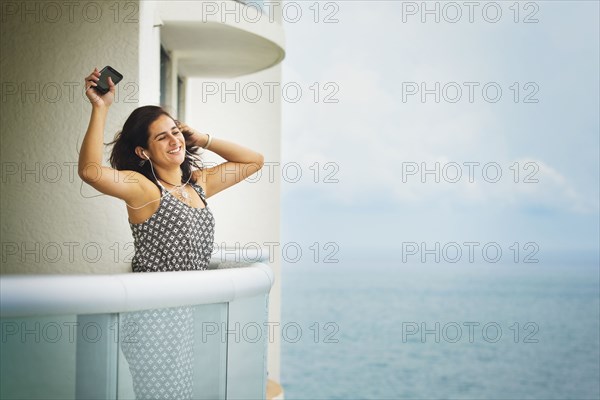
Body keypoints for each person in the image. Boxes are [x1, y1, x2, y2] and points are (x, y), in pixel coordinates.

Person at [79, 67, 264, 398]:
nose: (173, 140)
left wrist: (202, 137)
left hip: (193, 316)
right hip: (155, 320)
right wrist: (100, 108)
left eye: (175, 131)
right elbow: (91, 172)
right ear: (143, 152)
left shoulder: (198, 184)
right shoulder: (144, 189)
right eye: (161, 136)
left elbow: (253, 161)